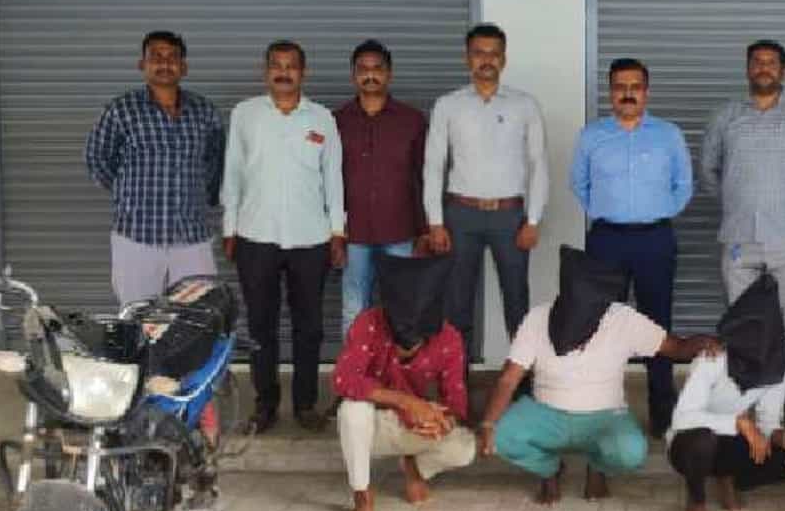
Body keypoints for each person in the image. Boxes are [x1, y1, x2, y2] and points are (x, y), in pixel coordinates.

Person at [479, 246, 718, 504]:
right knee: (501, 437)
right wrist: (488, 425)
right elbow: (508, 379)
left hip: (605, 415)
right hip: (546, 414)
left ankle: (599, 467)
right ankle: (549, 470)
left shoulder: (622, 319)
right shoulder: (538, 317)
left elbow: (675, 347)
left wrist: (703, 342)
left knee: (631, 452)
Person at [221, 40, 345, 434]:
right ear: (266, 72)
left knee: (310, 326)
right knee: (261, 325)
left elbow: (333, 178)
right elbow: (233, 173)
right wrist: (229, 228)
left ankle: (305, 403)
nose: (284, 72)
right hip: (255, 235)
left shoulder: (322, 118)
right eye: (276, 65)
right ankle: (266, 403)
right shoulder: (245, 115)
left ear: (303, 73)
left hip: (311, 238)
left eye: (291, 66)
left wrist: (338, 231)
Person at [701, 39, 785, 423]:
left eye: (771, 62)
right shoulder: (725, 115)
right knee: (742, 323)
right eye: (757, 62)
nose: (764, 68)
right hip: (738, 237)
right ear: (747, 68)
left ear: (783, 70)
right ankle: (747, 396)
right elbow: (708, 170)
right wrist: (737, 202)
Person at [570, 57, 693, 437]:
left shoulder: (668, 135)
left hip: (655, 238)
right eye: (620, 87)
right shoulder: (592, 136)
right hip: (607, 239)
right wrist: (607, 212)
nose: (628, 94)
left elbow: (683, 185)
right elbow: (579, 184)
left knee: (657, 325)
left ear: (646, 92)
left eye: (635, 87)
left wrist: (657, 212)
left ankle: (662, 413)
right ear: (610, 92)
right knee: (602, 324)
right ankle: (603, 409)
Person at [423, 22, 549, 355]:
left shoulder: (525, 105)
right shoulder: (448, 105)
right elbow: (433, 165)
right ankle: (457, 379)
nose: (486, 60)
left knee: (517, 300)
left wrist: (533, 220)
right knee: (457, 302)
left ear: (504, 59)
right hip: (460, 215)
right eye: (479, 53)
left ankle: (522, 379)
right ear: (468, 58)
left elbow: (538, 164)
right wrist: (435, 222)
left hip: (510, 216)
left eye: (494, 53)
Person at [333, 253, 474, 511]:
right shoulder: (368, 323)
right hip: (375, 427)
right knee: (351, 410)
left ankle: (414, 469)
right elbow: (342, 379)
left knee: (464, 448)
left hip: (415, 428)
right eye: (399, 343)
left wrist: (442, 420)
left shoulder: (449, 337)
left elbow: (456, 402)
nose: (405, 349)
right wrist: (405, 401)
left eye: (414, 344)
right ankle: (362, 494)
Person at [85, 30, 225, 305]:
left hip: (192, 238)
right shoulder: (121, 110)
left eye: (172, 57)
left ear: (183, 67)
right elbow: (97, 159)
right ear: (142, 64)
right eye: (156, 57)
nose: (164, 63)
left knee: (197, 319)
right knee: (137, 317)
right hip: (137, 237)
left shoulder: (204, 111)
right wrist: (127, 194)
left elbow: (214, 163)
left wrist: (202, 199)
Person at [668, 273, 785, 511]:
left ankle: (729, 478)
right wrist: (739, 423)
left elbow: (768, 424)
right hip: (690, 442)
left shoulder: (774, 368)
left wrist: (784, 438)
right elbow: (682, 419)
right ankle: (695, 500)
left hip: (733, 441)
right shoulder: (712, 358)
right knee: (702, 441)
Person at [334, 39, 428, 337]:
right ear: (353, 75)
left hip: (400, 230)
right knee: (354, 308)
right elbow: (327, 180)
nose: (370, 75)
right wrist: (333, 231)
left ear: (389, 74)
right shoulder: (336, 121)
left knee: (402, 307)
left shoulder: (412, 120)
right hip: (353, 233)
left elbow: (424, 176)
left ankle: (397, 366)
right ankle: (356, 366)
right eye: (363, 69)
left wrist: (425, 230)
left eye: (377, 68)